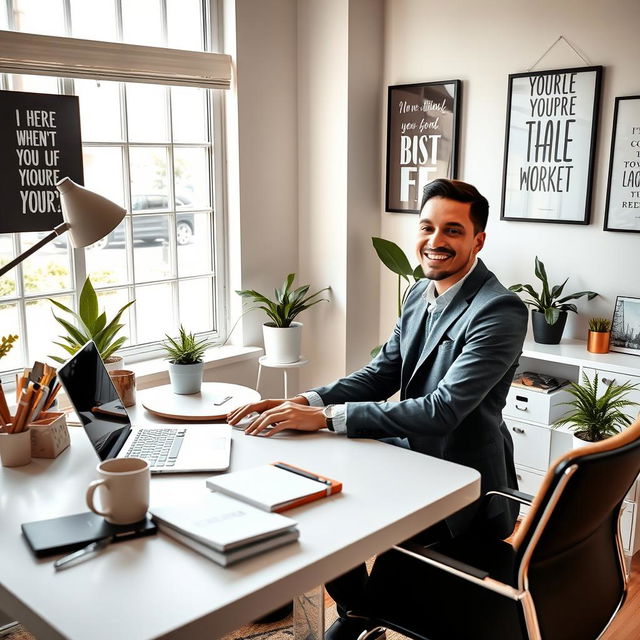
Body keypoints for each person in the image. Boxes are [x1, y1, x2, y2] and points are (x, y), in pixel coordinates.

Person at [228, 178, 528, 640]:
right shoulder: (416, 294)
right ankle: (361, 612)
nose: (435, 242)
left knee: (334, 526)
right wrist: (307, 401)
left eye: (452, 230)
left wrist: (327, 419)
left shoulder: (499, 310)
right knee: (318, 507)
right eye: (427, 227)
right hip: (406, 457)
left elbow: (442, 410)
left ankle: (362, 615)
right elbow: (382, 372)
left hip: (459, 482)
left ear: (477, 240)